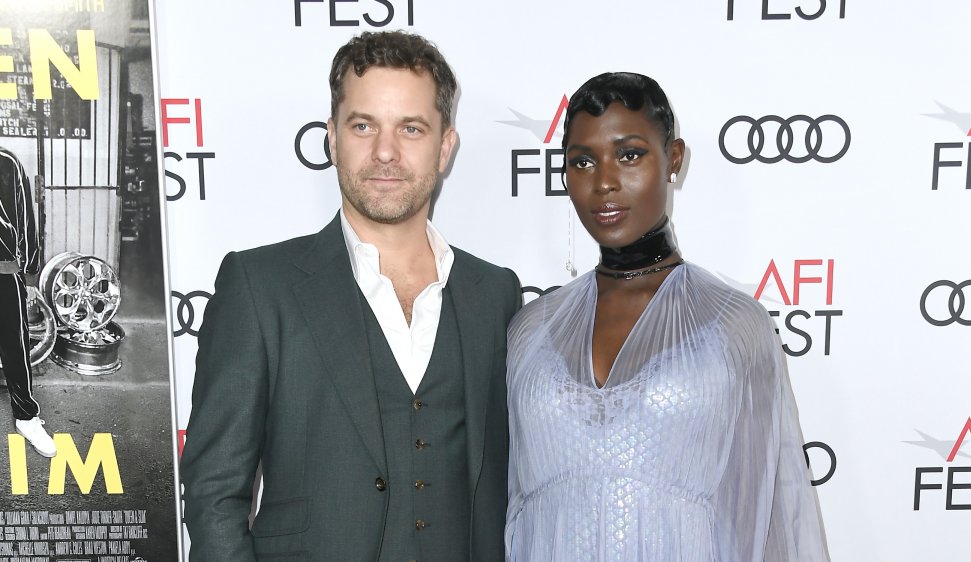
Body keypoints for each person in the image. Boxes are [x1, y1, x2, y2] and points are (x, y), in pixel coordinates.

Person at [181, 31, 521, 561]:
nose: (385, 152)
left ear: (445, 146)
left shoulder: (495, 293)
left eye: (411, 128)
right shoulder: (259, 285)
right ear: (332, 139)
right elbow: (213, 496)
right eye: (363, 126)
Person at [505, 73, 829, 561]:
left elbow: (775, 514)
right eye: (583, 162)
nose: (605, 182)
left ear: (673, 159)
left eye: (630, 154)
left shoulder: (734, 324)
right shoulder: (531, 329)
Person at [0, 147, 57, 458]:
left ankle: (26, 417)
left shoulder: (6, 162)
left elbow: (25, 221)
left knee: (15, 345)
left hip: (3, 271)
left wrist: (31, 276)